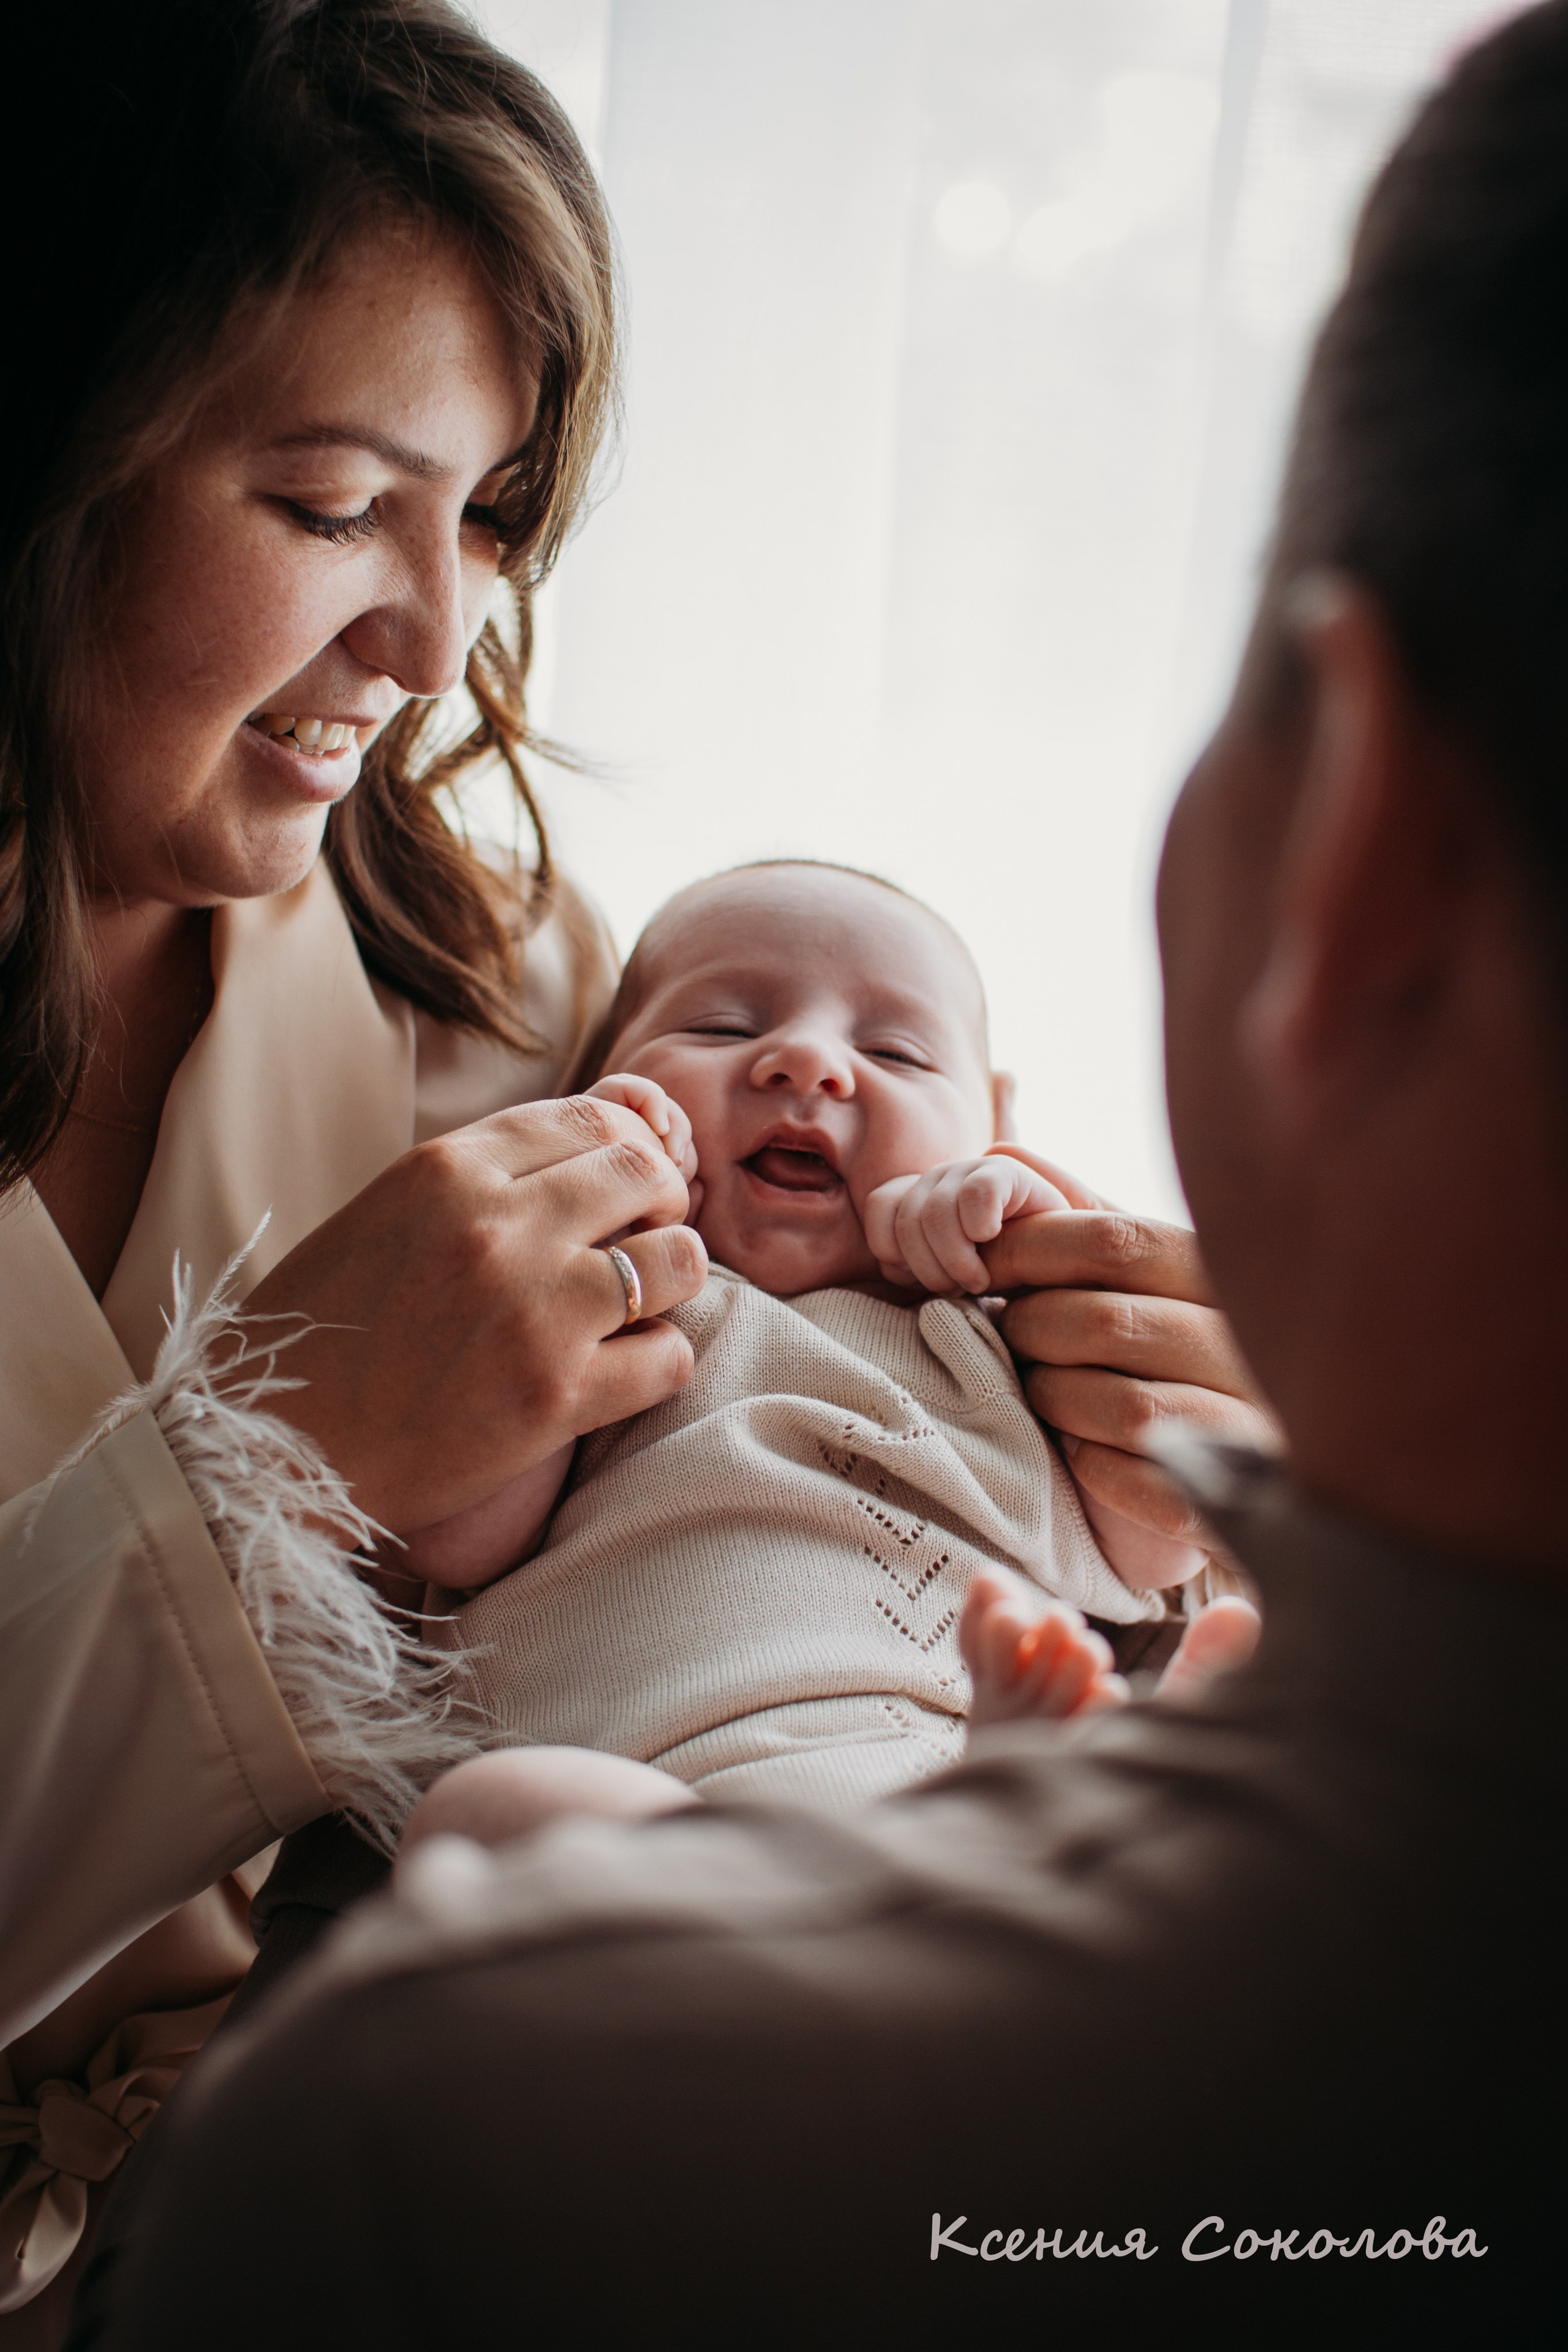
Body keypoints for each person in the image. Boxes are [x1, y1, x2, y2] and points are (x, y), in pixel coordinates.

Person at [71, 5, 1568, 2344]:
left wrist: (1238, 1424)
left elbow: (1124, 1545)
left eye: (487, 518)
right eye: (332, 505)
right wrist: (290, 1446)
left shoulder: (502, 967)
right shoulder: (610, 1077)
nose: (444, 637)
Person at [401, 859, 1257, 1828]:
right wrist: (583, 1229)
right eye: (720, 1027)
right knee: (489, 1807)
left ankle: (1101, 1798)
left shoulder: (1003, 1345)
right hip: (655, 1818)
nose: (806, 1063)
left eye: (897, 1054)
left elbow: (1155, 1539)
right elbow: (453, 1532)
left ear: (994, 1122)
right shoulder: (619, 1312)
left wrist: (1046, 1242)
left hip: (944, 1785)